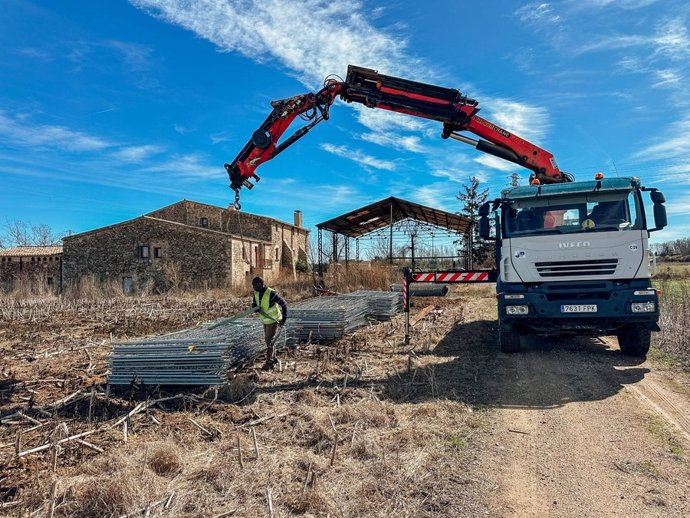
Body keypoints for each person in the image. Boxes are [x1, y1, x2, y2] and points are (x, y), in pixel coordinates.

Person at [251, 276, 288, 370]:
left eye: (255, 285)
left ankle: (269, 362)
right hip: (265, 320)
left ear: (261, 284)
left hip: (273, 320)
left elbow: (283, 304)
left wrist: (284, 319)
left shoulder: (271, 293)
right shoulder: (256, 292)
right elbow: (254, 303)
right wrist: (255, 308)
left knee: (269, 341)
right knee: (269, 341)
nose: (253, 288)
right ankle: (273, 358)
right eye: (253, 286)